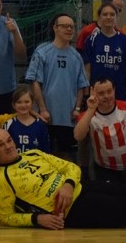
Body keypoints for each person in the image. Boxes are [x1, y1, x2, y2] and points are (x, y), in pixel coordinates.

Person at [26, 13, 89, 160]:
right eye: (65, 26)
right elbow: (35, 82)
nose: (69, 29)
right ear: (55, 28)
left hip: (68, 118)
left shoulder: (76, 56)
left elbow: (81, 86)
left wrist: (77, 108)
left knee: (67, 157)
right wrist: (43, 109)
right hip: (45, 117)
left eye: (72, 27)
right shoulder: (42, 52)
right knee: (44, 157)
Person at [82, 0, 126, 101]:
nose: (108, 17)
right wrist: (87, 93)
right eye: (105, 14)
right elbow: (87, 70)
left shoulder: (125, 41)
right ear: (99, 17)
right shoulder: (91, 40)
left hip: (120, 93)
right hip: (97, 94)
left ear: (117, 17)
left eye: (112, 14)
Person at [3, 86, 51, 154]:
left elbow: (46, 151)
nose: (23, 105)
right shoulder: (8, 124)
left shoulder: (40, 125)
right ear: (13, 105)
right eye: (19, 102)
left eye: (27, 102)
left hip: (36, 160)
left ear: (32, 103)